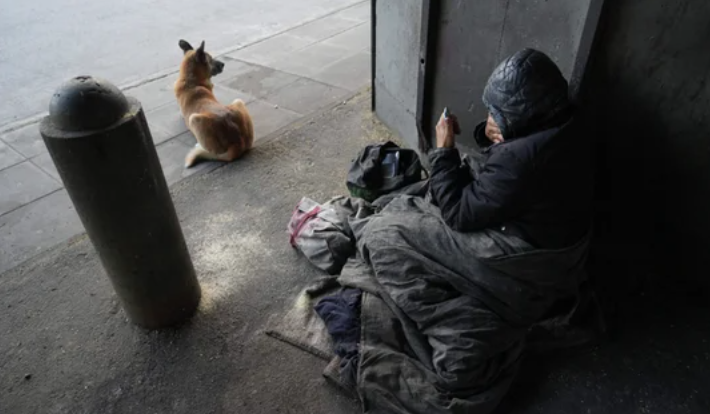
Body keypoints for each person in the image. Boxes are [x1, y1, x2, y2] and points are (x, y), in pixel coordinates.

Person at [428, 48, 592, 249]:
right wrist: (497, 132)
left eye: (496, 113)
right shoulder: (564, 121)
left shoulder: (517, 160)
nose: (490, 117)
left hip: (532, 256)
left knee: (390, 232)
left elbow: (456, 214)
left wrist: (444, 151)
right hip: (556, 232)